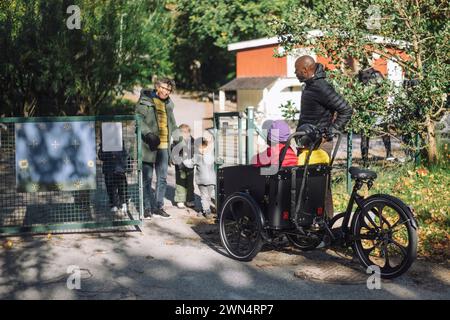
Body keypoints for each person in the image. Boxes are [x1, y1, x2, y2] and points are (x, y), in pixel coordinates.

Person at [295, 55, 353, 218]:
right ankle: (312, 226)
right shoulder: (310, 85)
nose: (295, 73)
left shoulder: (321, 86)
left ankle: (325, 226)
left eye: (297, 70)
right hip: (307, 143)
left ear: (306, 70)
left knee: (321, 187)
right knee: (308, 187)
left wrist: (330, 131)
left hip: (319, 144)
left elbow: (346, 109)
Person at [136, 78, 177, 219]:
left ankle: (158, 206)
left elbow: (173, 124)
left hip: (164, 147)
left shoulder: (169, 104)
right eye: (164, 88)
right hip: (148, 145)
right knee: (147, 178)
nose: (166, 92)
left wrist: (180, 141)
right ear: (157, 86)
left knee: (162, 178)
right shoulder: (146, 100)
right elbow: (138, 120)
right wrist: (148, 134)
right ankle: (147, 208)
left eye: (169, 90)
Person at [183, 137, 216, 218]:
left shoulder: (197, 157)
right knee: (208, 196)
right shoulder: (211, 156)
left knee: (205, 196)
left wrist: (183, 160)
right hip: (210, 180)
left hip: (203, 180)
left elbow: (189, 164)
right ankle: (205, 209)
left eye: (202, 148)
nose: (202, 150)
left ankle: (206, 210)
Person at [98, 142, 129, 215]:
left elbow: (125, 155)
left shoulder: (119, 140)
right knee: (110, 187)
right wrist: (110, 153)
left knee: (122, 187)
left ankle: (123, 203)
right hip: (108, 169)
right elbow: (101, 156)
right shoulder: (105, 142)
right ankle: (113, 204)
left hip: (119, 169)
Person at [171, 124, 195, 209]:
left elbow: (195, 151)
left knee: (190, 183)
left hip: (190, 164)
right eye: (183, 132)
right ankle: (180, 200)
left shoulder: (192, 140)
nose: (185, 134)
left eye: (187, 132)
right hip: (180, 164)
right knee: (180, 183)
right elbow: (174, 151)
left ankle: (190, 200)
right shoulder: (177, 141)